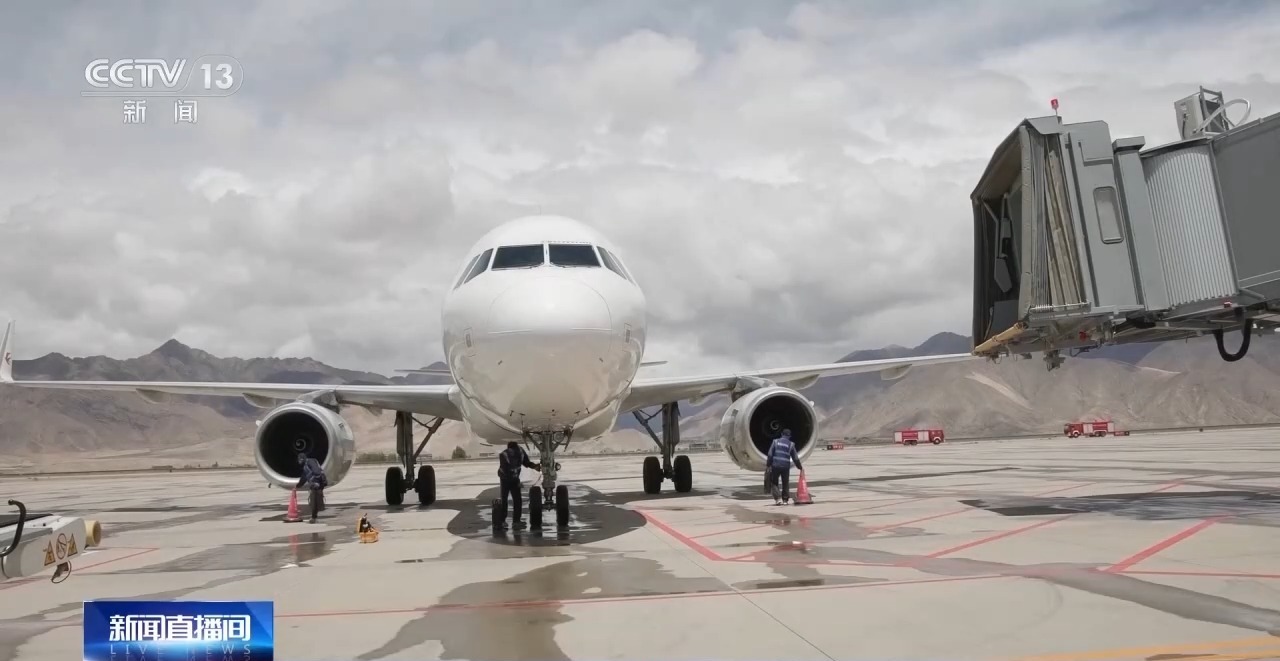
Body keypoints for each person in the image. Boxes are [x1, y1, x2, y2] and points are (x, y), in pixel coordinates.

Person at [497, 441, 541, 530]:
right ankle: (515, 522)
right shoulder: (520, 451)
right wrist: (534, 466)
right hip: (511, 478)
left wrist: (535, 466)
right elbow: (526, 463)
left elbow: (504, 469)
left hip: (506, 479)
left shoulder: (504, 454)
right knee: (516, 500)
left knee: (505, 499)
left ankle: (503, 521)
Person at [767, 429, 803, 505]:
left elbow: (770, 454)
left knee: (774, 482)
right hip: (785, 466)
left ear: (781, 434)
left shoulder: (775, 442)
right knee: (785, 483)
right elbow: (795, 458)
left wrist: (768, 464)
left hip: (775, 465)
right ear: (789, 436)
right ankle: (785, 500)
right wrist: (800, 467)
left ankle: (778, 499)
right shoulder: (791, 444)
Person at [296, 451, 327, 523]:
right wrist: (297, 486)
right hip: (314, 485)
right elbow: (303, 478)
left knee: (314, 502)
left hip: (318, 484)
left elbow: (317, 472)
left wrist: (316, 482)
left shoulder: (310, 462)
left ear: (302, 459)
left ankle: (314, 518)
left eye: (300, 460)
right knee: (314, 502)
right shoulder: (305, 466)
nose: (299, 462)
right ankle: (314, 517)